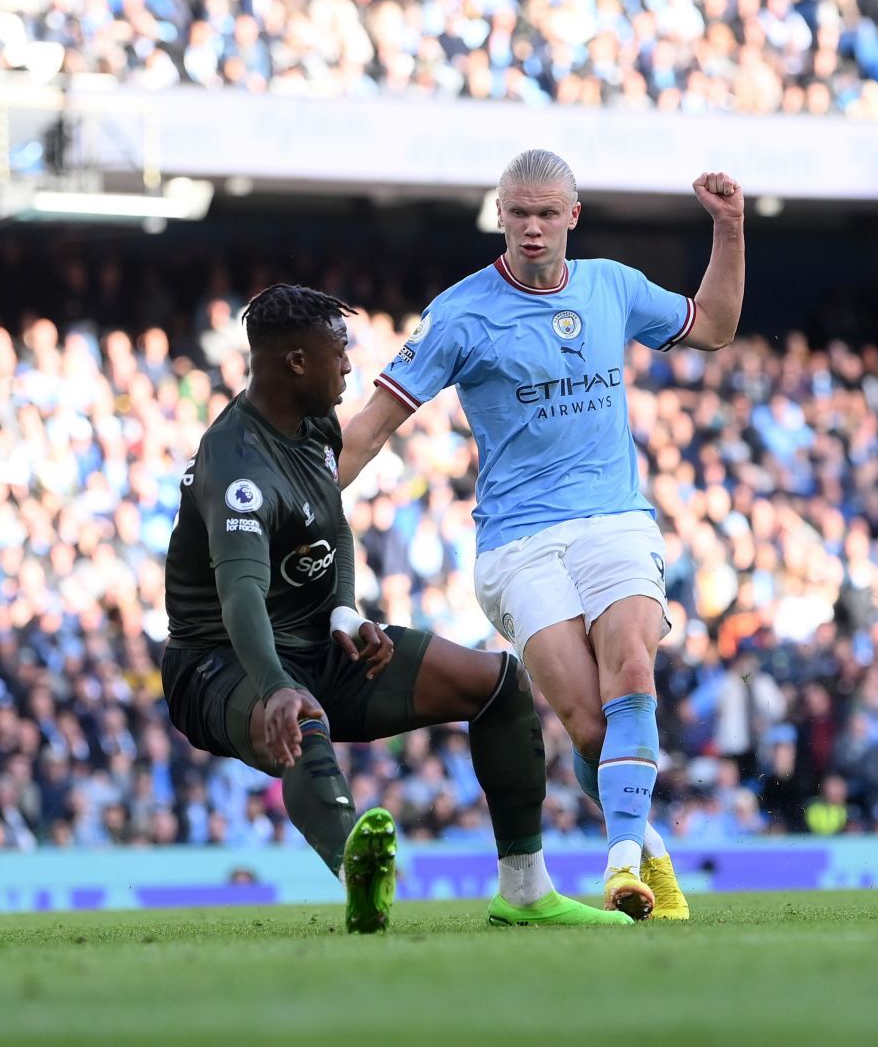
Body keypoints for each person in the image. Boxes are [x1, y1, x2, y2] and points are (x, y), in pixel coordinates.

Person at [339, 151, 746, 920]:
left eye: (546, 213)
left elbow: (717, 326)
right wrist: (308, 498)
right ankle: (650, 847)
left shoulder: (612, 286)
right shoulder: (460, 312)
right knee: (591, 724)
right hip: (518, 540)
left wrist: (729, 228)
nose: (531, 226)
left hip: (614, 520)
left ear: (572, 216)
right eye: (518, 212)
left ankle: (620, 862)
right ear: (501, 214)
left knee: (632, 665)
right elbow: (369, 429)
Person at [161, 284, 626, 932]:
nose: (350, 366)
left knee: (498, 685)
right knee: (301, 718)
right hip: (223, 662)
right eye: (338, 352)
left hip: (316, 644)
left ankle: (525, 891)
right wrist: (274, 687)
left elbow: (332, 526)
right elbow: (240, 597)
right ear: (296, 361)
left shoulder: (312, 424)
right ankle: (359, 870)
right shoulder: (237, 466)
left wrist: (344, 612)